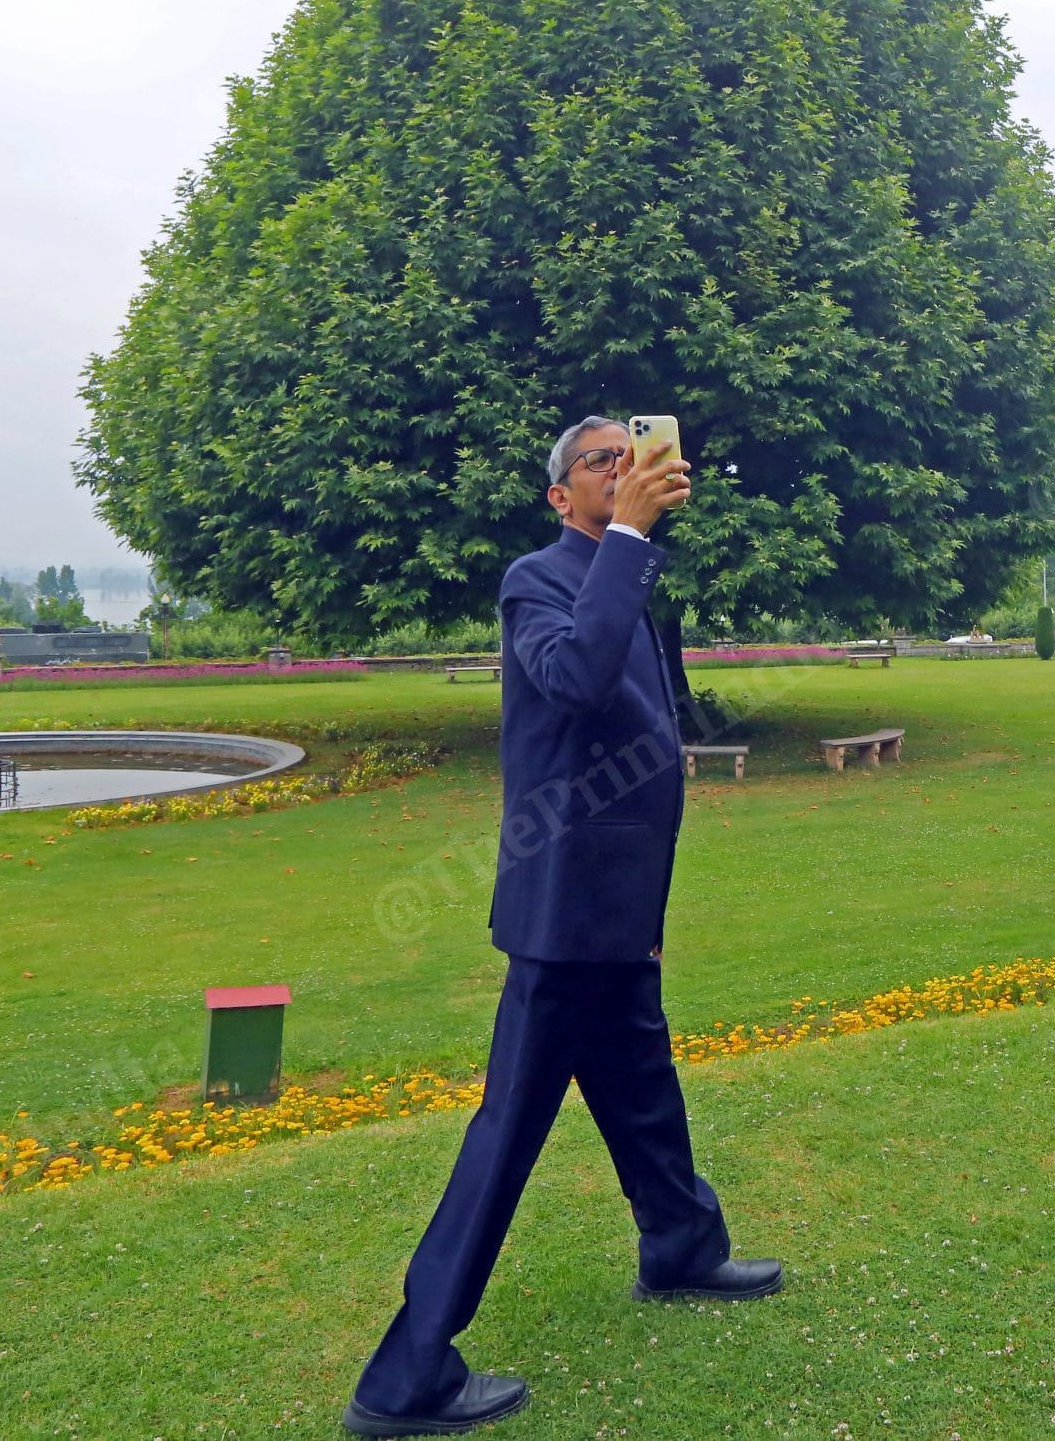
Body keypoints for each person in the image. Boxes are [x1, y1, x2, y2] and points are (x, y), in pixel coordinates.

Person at [344, 415, 783, 1438]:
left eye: (631, 457)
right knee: (508, 1131)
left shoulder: (629, 587)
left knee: (640, 1083)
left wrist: (649, 911)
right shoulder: (538, 579)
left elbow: (646, 748)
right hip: (563, 906)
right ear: (561, 496)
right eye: (601, 461)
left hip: (617, 903)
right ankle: (404, 1377)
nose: (623, 470)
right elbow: (577, 685)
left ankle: (680, 1243)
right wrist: (626, 538)